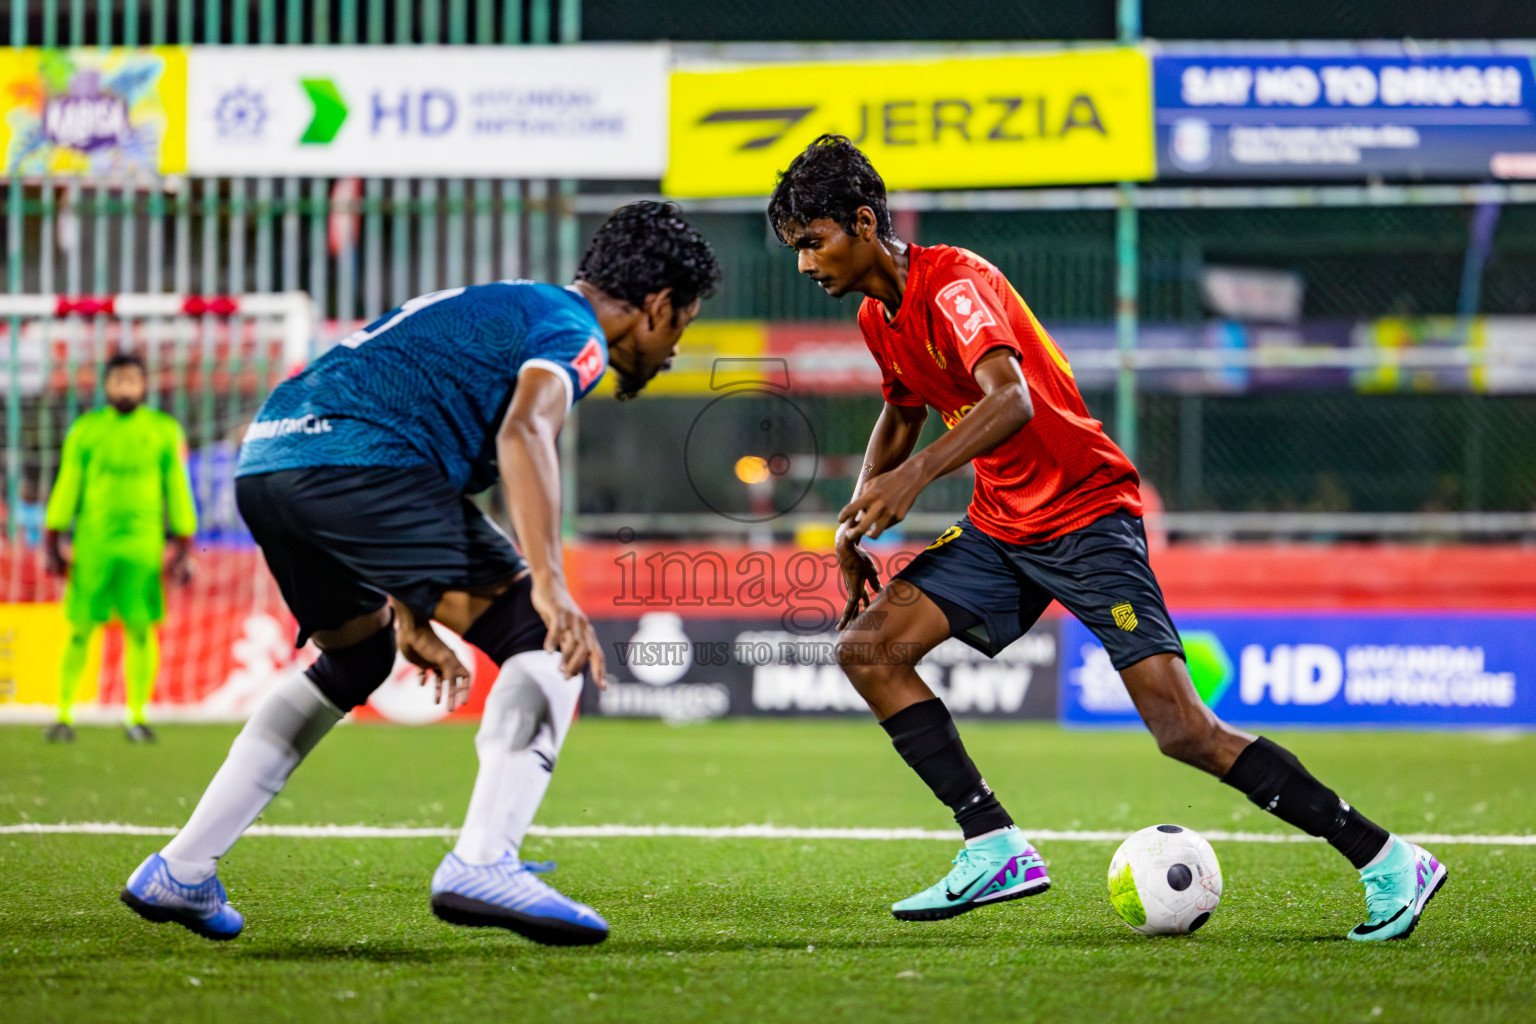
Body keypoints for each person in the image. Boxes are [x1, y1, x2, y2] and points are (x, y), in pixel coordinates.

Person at [767, 135, 1445, 943]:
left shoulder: (956, 284)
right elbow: (904, 410)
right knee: (869, 648)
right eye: (796, 248)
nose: (806, 264)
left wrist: (910, 482)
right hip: (1002, 525)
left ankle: (1388, 860)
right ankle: (993, 842)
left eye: (813, 242)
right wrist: (854, 519)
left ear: (865, 223)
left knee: (1183, 731)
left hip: (1087, 516)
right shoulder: (882, 315)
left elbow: (1010, 399)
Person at [119, 202, 721, 946]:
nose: (669, 353)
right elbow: (525, 429)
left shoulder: (505, 305)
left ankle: (181, 867)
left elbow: (416, 431)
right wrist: (551, 583)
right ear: (658, 308)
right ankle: (485, 860)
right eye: (681, 328)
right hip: (356, 460)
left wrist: (410, 612)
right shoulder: (576, 333)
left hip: (273, 459)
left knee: (356, 657)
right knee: (540, 634)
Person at [44, 351, 197, 744]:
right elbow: (68, 485)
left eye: (132, 380)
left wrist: (184, 541)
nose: (124, 387)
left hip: (144, 546)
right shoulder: (86, 430)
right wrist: (52, 538)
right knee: (80, 628)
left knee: (141, 630)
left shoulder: (164, 430)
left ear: (144, 385)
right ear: (106, 385)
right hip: (92, 543)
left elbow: (177, 488)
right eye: (117, 380)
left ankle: (137, 715)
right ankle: (63, 714)